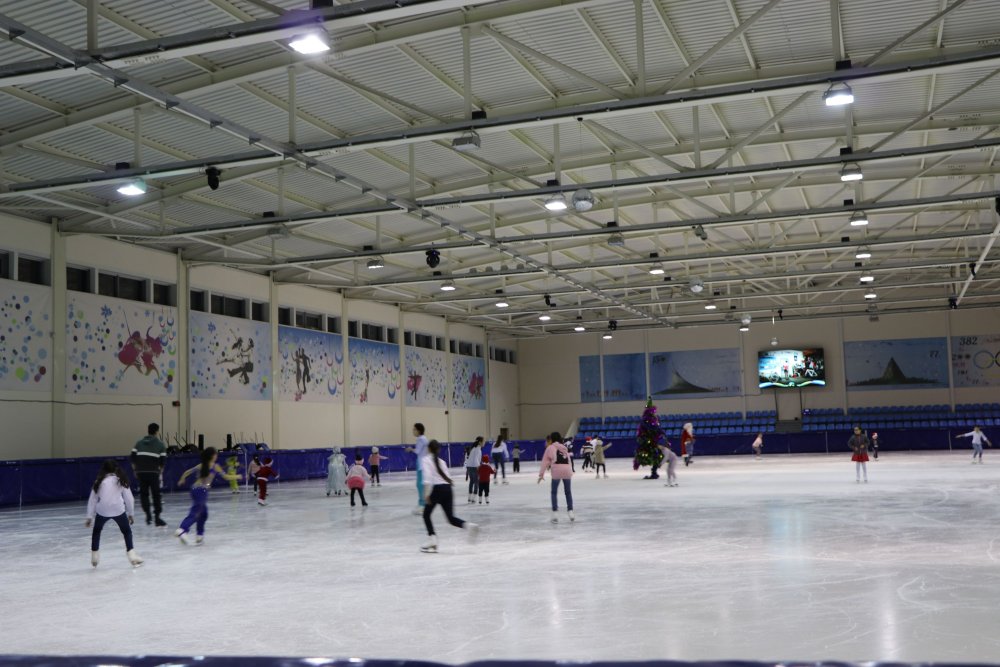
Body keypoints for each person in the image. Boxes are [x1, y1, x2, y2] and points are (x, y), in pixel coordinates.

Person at [420, 440, 478, 553]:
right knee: (451, 518)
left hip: (438, 489)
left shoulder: (426, 460)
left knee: (426, 514)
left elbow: (427, 478)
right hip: (448, 489)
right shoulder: (442, 462)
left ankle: (433, 541)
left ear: (428, 449)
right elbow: (447, 477)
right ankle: (469, 526)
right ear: (438, 450)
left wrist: (426, 494)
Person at [175, 447, 240, 545]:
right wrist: (238, 476)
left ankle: (199, 535)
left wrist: (182, 479)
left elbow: (187, 472)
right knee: (196, 512)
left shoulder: (202, 465)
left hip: (195, 489)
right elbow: (226, 477)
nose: (217, 456)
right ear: (212, 456)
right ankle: (182, 530)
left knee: (203, 514)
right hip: (201, 491)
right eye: (215, 454)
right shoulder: (215, 466)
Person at [85, 459, 143, 568]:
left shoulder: (99, 481)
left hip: (102, 511)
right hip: (118, 510)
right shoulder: (121, 480)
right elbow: (129, 498)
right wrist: (131, 514)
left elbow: (92, 499)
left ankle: (94, 557)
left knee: (96, 531)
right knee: (127, 532)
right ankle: (132, 556)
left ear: (104, 469)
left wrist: (89, 517)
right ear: (116, 469)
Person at [130, 422, 167, 527]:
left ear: (148, 430)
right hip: (153, 472)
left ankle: (148, 515)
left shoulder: (139, 443)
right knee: (156, 494)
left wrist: (135, 470)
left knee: (144, 494)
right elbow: (162, 461)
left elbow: (132, 458)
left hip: (141, 472)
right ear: (157, 431)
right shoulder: (160, 444)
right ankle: (157, 518)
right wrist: (160, 472)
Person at [538, 431, 574, 523]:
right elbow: (568, 459)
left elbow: (544, 462)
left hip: (557, 471)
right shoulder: (564, 447)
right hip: (567, 470)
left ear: (552, 439)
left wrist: (541, 474)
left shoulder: (550, 448)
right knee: (568, 492)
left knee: (554, 492)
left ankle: (555, 514)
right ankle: (570, 512)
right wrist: (570, 472)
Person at [407, 423, 430, 514]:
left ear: (419, 430)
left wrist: (410, 449)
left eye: (414, 429)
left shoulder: (421, 439)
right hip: (423, 463)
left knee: (420, 484)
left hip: (422, 464)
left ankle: (422, 505)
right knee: (420, 484)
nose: (413, 431)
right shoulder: (423, 439)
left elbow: (417, 451)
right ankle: (421, 503)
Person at [464, 437, 483, 503]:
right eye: (483, 441)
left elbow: (469, 459)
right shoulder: (478, 449)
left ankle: (469, 497)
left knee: (471, 481)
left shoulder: (472, 448)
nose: (484, 443)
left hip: (469, 466)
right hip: (475, 466)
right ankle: (474, 498)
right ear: (480, 442)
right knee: (476, 482)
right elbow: (479, 460)